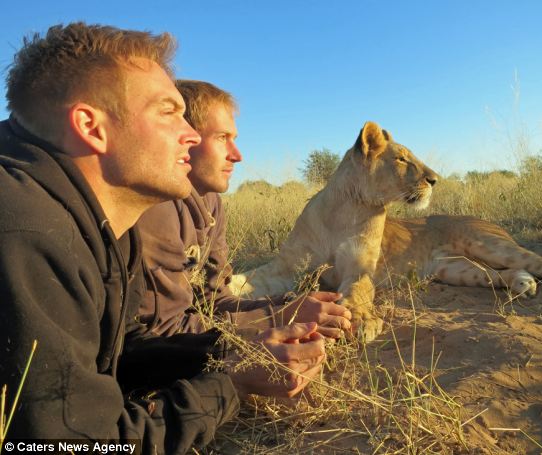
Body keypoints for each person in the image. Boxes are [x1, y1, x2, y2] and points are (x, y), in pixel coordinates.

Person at [0, 22, 325, 452]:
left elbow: (118, 358)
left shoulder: (105, 222)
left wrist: (238, 350)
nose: (190, 135)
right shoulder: (27, 233)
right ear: (91, 127)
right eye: (168, 112)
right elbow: (73, 444)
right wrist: (230, 385)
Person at [136, 80, 352, 338]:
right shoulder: (156, 207)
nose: (237, 155)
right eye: (221, 138)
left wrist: (287, 305)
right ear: (185, 138)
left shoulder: (211, 201)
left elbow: (214, 301)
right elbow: (162, 330)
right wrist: (277, 319)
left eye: (234, 139)